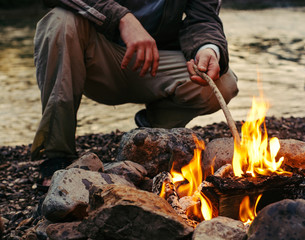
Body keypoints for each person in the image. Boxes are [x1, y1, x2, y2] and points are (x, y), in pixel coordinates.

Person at [32, 0, 239, 186]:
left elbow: (203, 18)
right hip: (96, 57)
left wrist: (207, 48)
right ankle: (57, 153)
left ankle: (153, 135)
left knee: (223, 82)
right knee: (59, 21)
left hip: (157, 61)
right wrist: (122, 18)